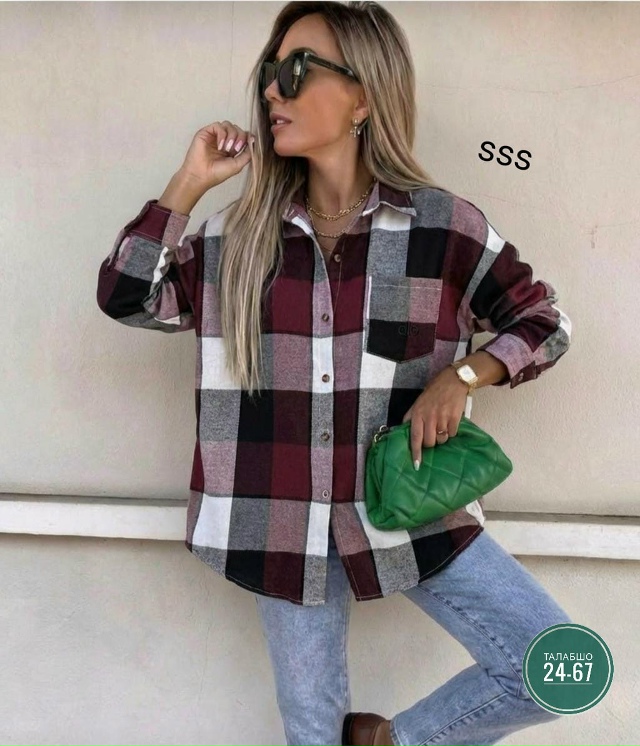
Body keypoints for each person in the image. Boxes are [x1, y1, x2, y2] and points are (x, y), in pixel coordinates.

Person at [96, 2, 574, 745]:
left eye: (296, 71)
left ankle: (387, 742)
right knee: (312, 735)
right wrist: (187, 184)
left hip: (410, 510)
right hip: (277, 521)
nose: (272, 91)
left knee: (554, 668)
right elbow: (128, 299)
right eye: (269, 73)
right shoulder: (235, 240)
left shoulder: (441, 228)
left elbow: (544, 322)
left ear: (362, 96)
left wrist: (464, 377)